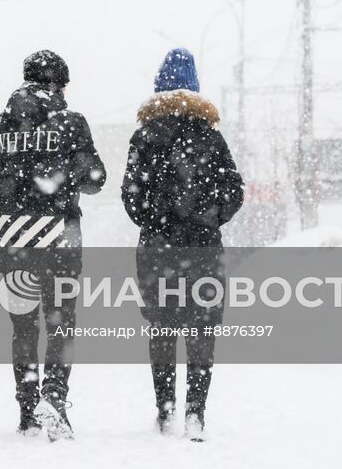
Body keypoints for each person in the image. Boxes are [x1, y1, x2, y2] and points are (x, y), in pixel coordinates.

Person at [0, 49, 107, 440]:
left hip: (13, 240)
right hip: (61, 241)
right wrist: (69, 172)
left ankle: (26, 408)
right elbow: (95, 179)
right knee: (61, 325)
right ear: (59, 84)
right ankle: (53, 397)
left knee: (22, 329)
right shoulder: (71, 124)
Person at [121, 47, 244, 442]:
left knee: (161, 328)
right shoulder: (211, 137)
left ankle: (165, 411)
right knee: (202, 330)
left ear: (158, 89)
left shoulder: (143, 136)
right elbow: (234, 191)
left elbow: (131, 196)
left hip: (157, 250)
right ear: (195, 89)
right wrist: (207, 217)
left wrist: (156, 220)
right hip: (204, 249)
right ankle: (196, 414)